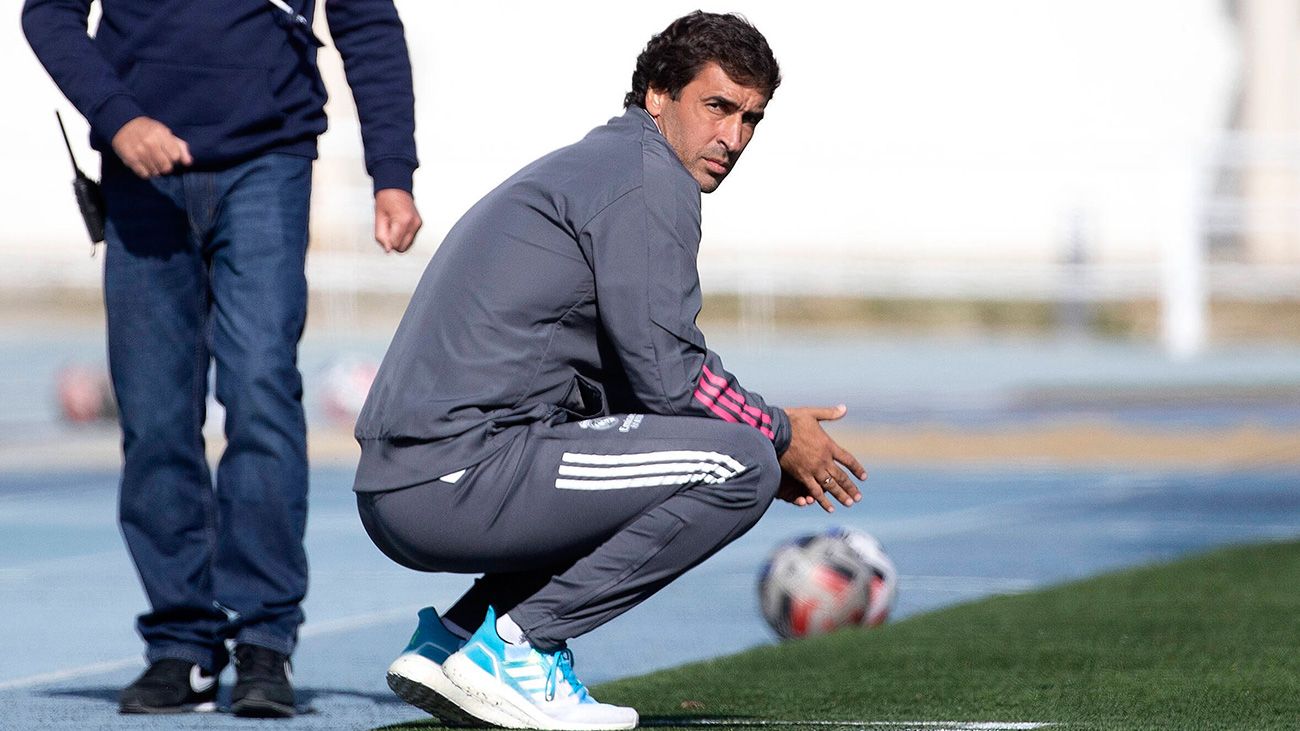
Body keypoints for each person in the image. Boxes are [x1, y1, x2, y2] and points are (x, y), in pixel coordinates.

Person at [353, 11, 863, 730]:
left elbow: (637, 386)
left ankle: (461, 637)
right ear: (658, 92)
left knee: (693, 450)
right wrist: (778, 434)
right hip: (454, 477)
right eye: (717, 106)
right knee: (737, 465)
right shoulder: (650, 179)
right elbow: (671, 377)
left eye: (751, 118)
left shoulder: (602, 162)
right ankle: (520, 645)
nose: (734, 137)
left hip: (407, 480)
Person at [22, 0, 422, 718]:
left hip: (269, 159)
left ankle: (265, 638)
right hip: (138, 169)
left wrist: (391, 171)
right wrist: (119, 118)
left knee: (262, 388)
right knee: (154, 415)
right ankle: (182, 642)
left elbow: (367, 23)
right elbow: (48, 14)